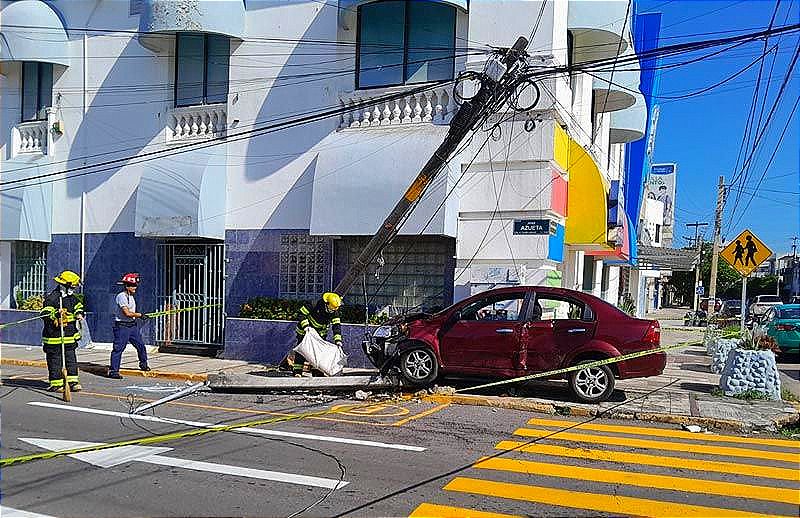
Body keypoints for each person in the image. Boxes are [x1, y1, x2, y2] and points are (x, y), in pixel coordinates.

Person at [40, 271, 85, 392]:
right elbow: (45, 313)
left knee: (71, 360)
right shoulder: (52, 298)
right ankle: (56, 383)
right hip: (54, 337)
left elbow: (79, 307)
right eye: (72, 287)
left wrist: (79, 314)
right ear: (64, 285)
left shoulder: (72, 299)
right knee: (55, 361)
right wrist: (54, 313)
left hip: (69, 336)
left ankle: (72, 382)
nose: (73, 289)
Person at [286, 292, 343, 377]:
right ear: (326, 304)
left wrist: (338, 340)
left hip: (320, 334)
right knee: (302, 351)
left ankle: (317, 372)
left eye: (334, 310)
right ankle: (297, 372)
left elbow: (336, 326)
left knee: (318, 353)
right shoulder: (314, 304)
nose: (332, 311)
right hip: (305, 332)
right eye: (331, 309)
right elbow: (301, 314)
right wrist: (306, 326)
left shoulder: (334, 310)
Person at [108, 273, 150, 379]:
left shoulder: (131, 296)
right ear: (127, 286)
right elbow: (127, 313)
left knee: (140, 345)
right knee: (118, 349)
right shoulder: (121, 296)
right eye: (133, 285)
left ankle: (143, 364)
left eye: (136, 285)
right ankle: (113, 371)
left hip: (132, 326)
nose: (135, 287)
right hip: (122, 327)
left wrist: (138, 316)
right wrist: (140, 315)